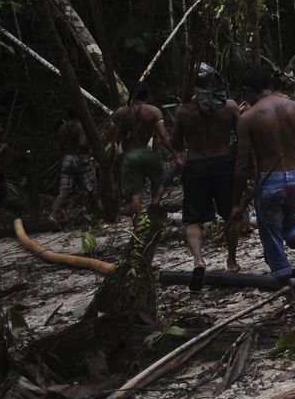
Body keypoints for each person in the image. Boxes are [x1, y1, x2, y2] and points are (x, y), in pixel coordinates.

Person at [232, 65, 295, 284]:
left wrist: (236, 202)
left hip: (270, 181)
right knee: (290, 225)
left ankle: (286, 288)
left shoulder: (248, 117)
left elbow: (242, 164)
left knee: (271, 235)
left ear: (249, 90)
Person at [171, 63, 242, 289]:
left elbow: (174, 144)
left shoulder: (183, 110)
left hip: (196, 165)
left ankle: (198, 260)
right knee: (230, 214)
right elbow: (243, 136)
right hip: (224, 163)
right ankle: (231, 260)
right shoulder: (230, 107)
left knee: (193, 219)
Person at [105, 81, 181, 221]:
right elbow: (163, 136)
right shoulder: (153, 111)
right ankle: (154, 204)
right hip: (148, 155)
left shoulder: (121, 113)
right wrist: (175, 155)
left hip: (130, 157)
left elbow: (109, 136)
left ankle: (137, 226)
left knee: (135, 194)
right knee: (160, 185)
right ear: (147, 95)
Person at [49, 118, 97, 226]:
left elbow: (60, 144)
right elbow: (83, 143)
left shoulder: (63, 127)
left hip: (67, 158)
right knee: (91, 187)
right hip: (81, 158)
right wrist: (92, 144)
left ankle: (53, 215)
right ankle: (96, 214)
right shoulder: (81, 125)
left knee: (63, 191)